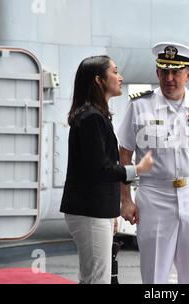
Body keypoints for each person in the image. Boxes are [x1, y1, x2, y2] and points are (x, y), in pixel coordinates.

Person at [117, 42, 189, 284]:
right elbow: (124, 154)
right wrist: (125, 199)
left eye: (176, 72)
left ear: (188, 74)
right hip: (154, 196)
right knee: (154, 274)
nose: (169, 78)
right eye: (164, 71)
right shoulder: (139, 106)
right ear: (157, 72)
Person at [60, 55, 153, 284]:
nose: (120, 78)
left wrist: (111, 211)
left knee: (92, 276)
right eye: (115, 72)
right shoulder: (91, 117)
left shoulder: (95, 115)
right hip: (90, 210)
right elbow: (100, 169)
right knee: (97, 279)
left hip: (95, 210)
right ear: (99, 80)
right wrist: (136, 169)